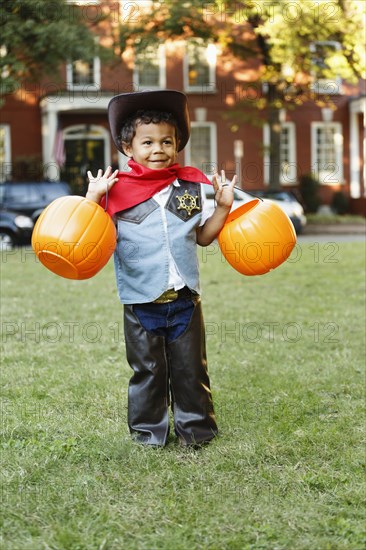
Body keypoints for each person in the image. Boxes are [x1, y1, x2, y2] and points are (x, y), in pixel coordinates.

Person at [86, 90, 236, 447]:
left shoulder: (189, 186)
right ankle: (148, 433)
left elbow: (201, 238)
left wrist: (223, 208)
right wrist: (93, 199)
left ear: (177, 144)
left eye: (167, 141)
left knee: (190, 369)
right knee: (148, 372)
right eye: (148, 142)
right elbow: (89, 236)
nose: (158, 149)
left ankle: (196, 431)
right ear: (128, 147)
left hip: (184, 298)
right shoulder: (115, 190)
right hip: (141, 301)